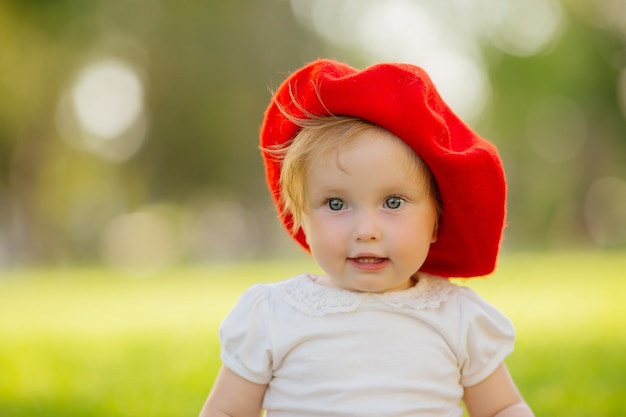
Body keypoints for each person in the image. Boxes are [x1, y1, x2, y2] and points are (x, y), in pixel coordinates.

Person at [199, 59, 534, 417]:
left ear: (436, 222)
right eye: (336, 203)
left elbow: (502, 407)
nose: (366, 230)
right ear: (301, 217)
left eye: (393, 202)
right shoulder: (273, 315)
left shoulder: (456, 316)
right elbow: (227, 411)